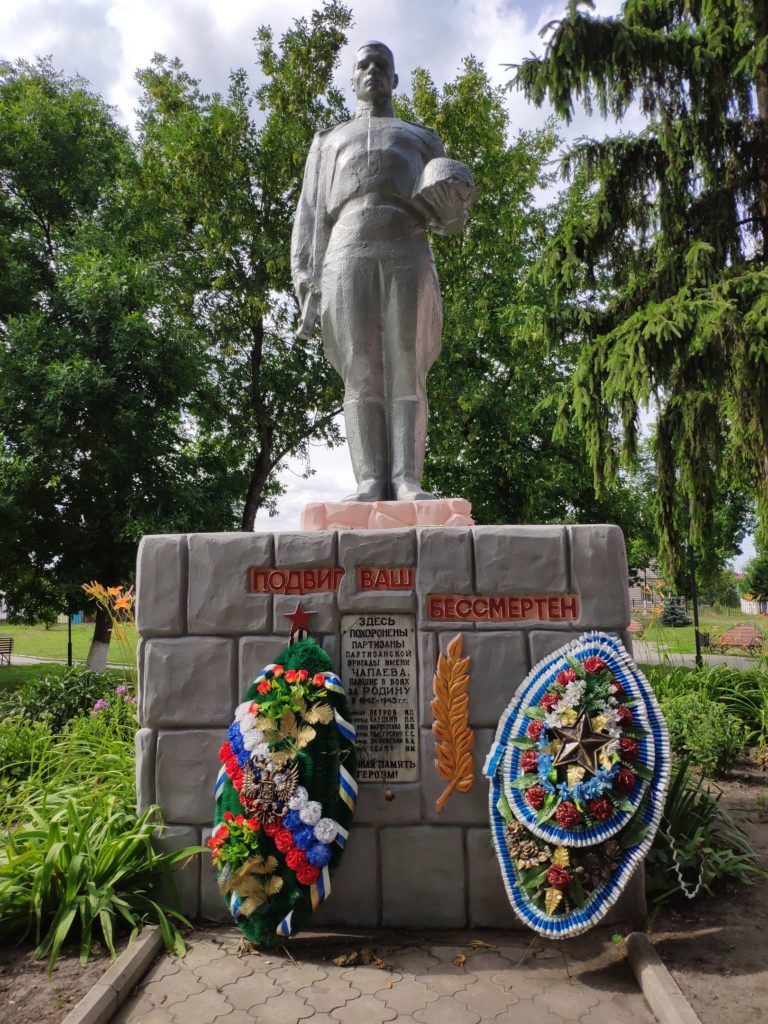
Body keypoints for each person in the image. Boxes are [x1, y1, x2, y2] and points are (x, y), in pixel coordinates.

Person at [291, 41, 475, 501]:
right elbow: (311, 216)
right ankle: (370, 480)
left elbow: (450, 219)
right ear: (353, 80)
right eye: (364, 65)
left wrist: (457, 204)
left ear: (394, 80)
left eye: (382, 66)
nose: (373, 71)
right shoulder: (328, 141)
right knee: (360, 368)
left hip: (406, 245)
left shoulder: (421, 137)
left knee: (406, 363)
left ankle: (407, 478)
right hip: (346, 250)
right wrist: (305, 282)